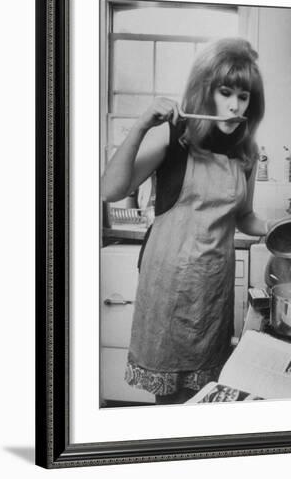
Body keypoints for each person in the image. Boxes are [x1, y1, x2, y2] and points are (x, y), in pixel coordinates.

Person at [102, 37, 275, 404]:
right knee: (170, 402)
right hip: (168, 289)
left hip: (212, 290)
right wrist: (141, 125)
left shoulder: (247, 153)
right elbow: (111, 190)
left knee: (204, 398)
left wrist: (274, 229)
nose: (233, 105)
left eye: (243, 96)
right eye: (225, 92)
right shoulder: (173, 138)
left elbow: (245, 216)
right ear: (204, 91)